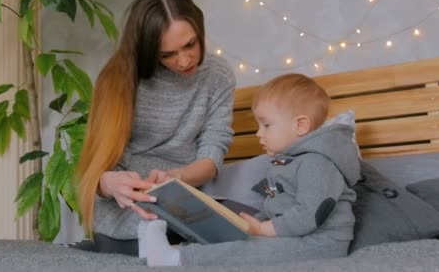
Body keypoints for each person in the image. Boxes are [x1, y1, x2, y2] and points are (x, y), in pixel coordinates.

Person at [75, 0, 236, 254]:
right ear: (148, 50)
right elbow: (97, 171)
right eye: (167, 54)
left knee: (241, 225)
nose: (184, 61)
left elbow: (212, 152)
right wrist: (110, 184)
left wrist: (176, 178)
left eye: (190, 45)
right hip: (126, 206)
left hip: (185, 196)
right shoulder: (118, 78)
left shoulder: (218, 76)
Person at [140, 73, 361, 266]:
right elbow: (276, 202)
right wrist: (251, 223)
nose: (258, 134)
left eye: (266, 125)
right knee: (239, 240)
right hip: (293, 234)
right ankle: (176, 251)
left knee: (249, 252)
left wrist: (264, 229)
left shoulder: (318, 163)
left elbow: (309, 214)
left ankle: (175, 259)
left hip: (321, 243)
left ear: (300, 125)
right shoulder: (285, 163)